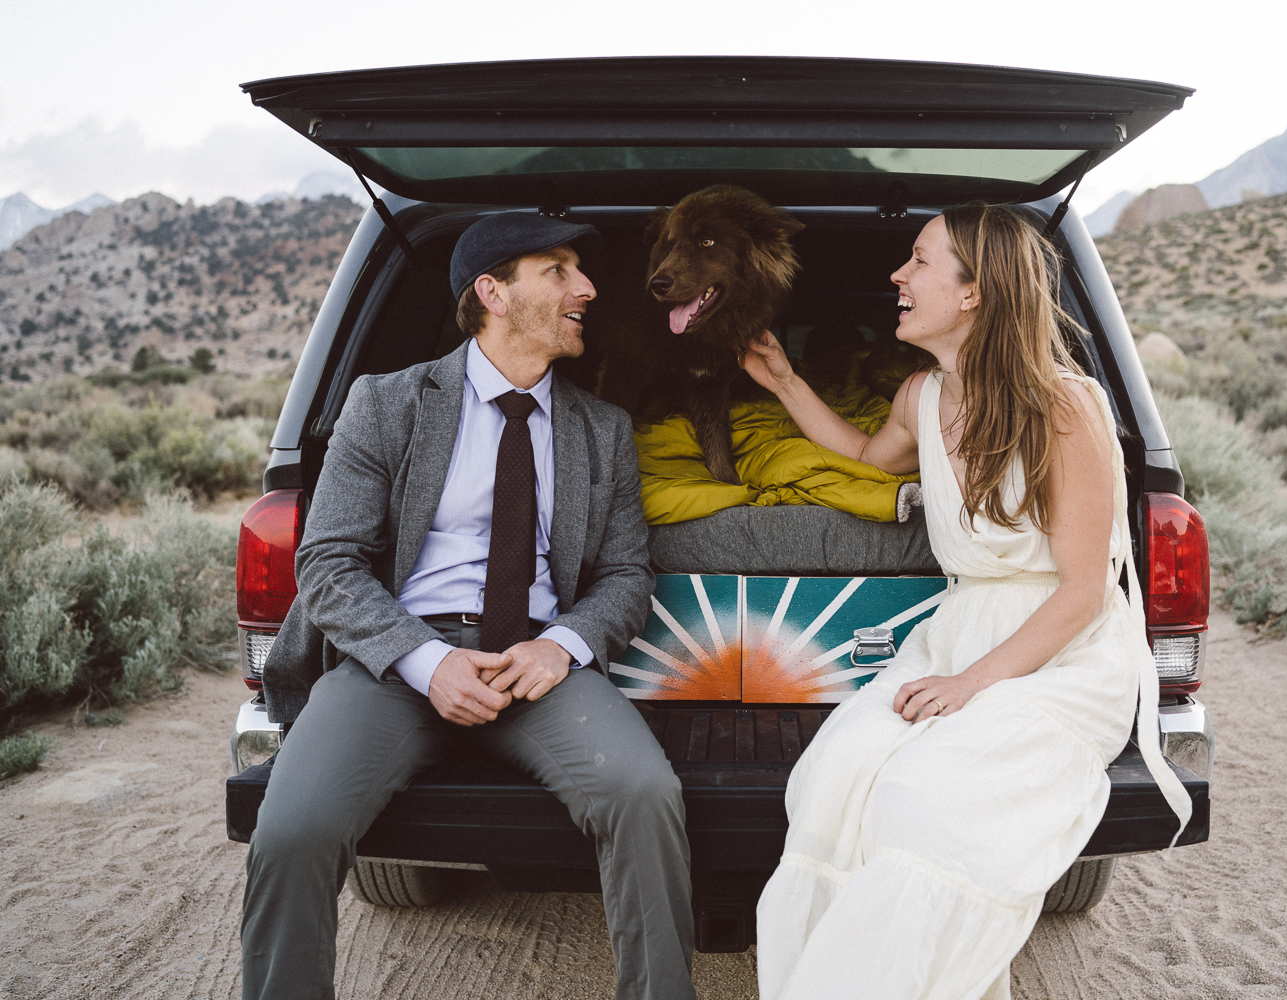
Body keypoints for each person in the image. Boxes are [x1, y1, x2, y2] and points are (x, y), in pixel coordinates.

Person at [741, 203, 1192, 1000]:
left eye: (918, 261)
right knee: (834, 774)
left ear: (975, 292)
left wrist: (969, 686)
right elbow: (864, 457)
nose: (897, 277)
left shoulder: (1066, 406)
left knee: (928, 797)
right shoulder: (921, 394)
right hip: (958, 634)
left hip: (1061, 653)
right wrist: (784, 381)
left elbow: (1085, 594)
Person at [242, 214, 697, 1000]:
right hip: (397, 661)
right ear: (492, 292)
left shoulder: (602, 430)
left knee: (643, 795)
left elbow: (626, 573)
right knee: (291, 831)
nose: (587, 288)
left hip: (538, 665)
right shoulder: (386, 404)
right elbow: (327, 563)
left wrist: (562, 646)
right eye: (557, 270)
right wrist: (429, 661)